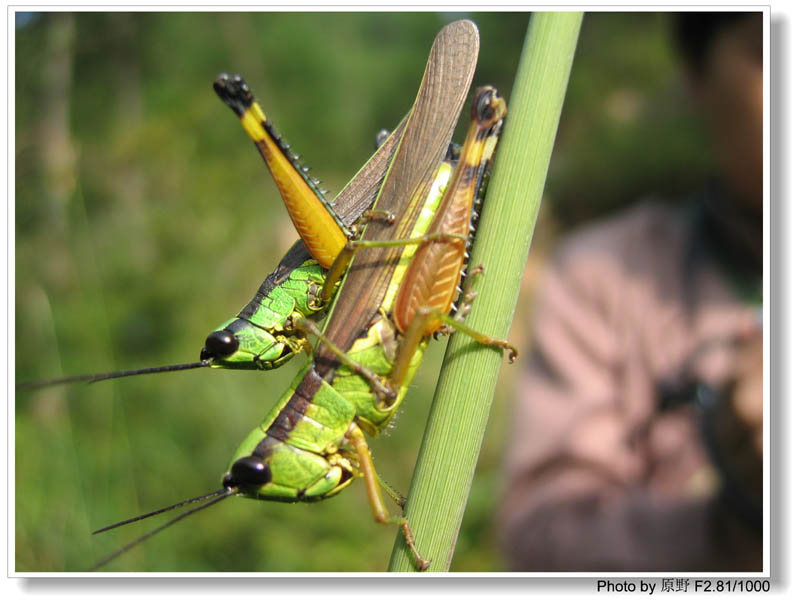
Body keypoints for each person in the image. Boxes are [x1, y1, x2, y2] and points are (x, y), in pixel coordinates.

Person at [500, 12, 763, 571]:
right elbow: (542, 544)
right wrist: (744, 508)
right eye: (770, 50)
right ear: (696, 74)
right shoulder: (602, 275)